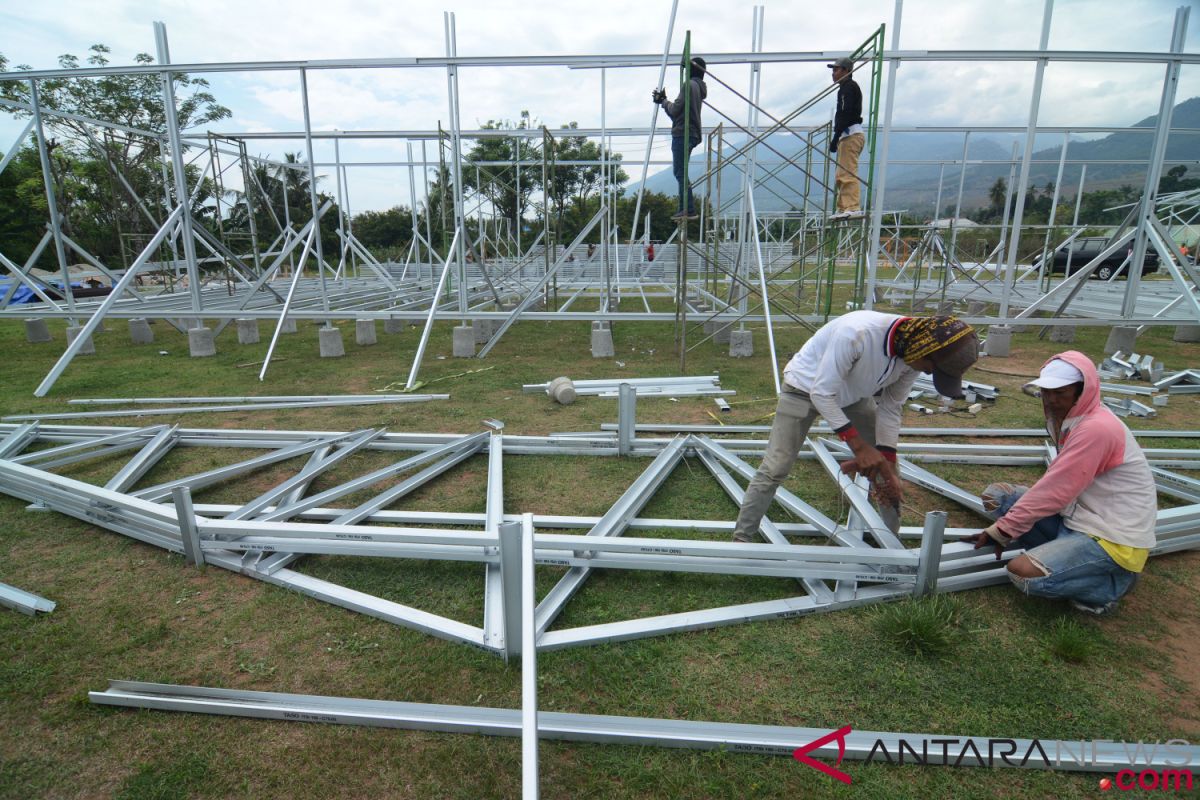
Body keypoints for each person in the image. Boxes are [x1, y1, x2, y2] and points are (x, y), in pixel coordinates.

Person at [732, 312, 979, 543]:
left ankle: (889, 541)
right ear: (922, 350)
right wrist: (859, 447)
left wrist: (886, 457)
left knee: (888, 470)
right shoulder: (857, 333)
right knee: (776, 467)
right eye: (930, 368)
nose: (927, 372)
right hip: (804, 390)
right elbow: (821, 394)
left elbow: (891, 407)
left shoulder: (914, 354)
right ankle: (742, 539)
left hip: (853, 397)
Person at [971, 353, 1156, 615]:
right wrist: (1007, 527)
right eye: (1047, 392)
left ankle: (1111, 586)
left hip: (1111, 536)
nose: (1052, 400)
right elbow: (1058, 485)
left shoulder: (1097, 429)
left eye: (1061, 393)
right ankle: (1064, 558)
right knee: (998, 496)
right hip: (1078, 515)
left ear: (1082, 392)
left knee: (1023, 574)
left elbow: (1056, 490)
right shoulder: (1069, 418)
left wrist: (1002, 531)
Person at [654, 57, 707, 220]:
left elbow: (676, 110)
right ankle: (685, 208)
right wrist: (665, 102)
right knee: (681, 171)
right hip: (691, 133)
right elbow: (681, 115)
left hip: (682, 134)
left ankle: (688, 208)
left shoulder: (688, 86)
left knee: (679, 171)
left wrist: (663, 102)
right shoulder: (698, 87)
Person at [827, 56, 864, 219]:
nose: (833, 73)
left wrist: (835, 136)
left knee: (848, 172)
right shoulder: (845, 88)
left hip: (850, 134)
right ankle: (844, 207)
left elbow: (845, 113)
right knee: (841, 174)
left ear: (847, 71)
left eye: (836, 69)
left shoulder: (848, 88)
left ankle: (852, 206)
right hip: (847, 134)